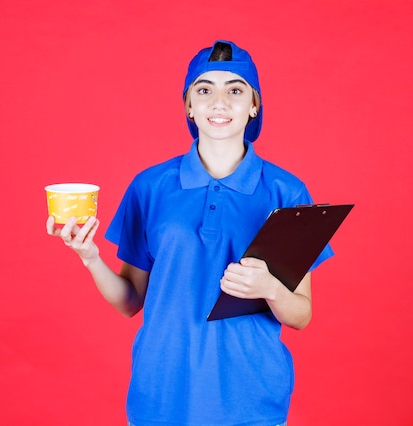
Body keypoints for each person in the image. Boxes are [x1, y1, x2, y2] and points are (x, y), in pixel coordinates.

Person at [46, 40, 333, 426]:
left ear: (253, 105)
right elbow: (130, 301)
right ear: (189, 106)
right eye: (204, 90)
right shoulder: (150, 186)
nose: (219, 102)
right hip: (162, 393)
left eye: (235, 90)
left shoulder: (287, 192)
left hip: (250, 396)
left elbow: (301, 315)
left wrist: (271, 288)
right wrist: (90, 258)